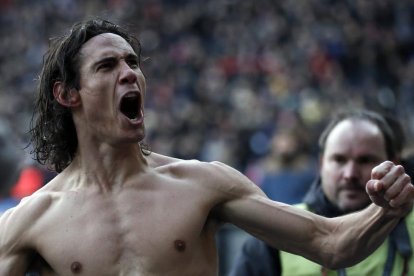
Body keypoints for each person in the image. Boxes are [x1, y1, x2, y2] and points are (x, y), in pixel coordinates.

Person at [0, 19, 413, 275]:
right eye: (108, 66)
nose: (130, 74)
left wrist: (385, 212)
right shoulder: (30, 221)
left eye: (133, 63)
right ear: (67, 94)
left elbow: (330, 243)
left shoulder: (202, 184)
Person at [229, 109, 414, 276]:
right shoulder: (276, 233)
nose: (350, 174)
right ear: (321, 163)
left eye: (365, 160)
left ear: (394, 165)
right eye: (339, 160)